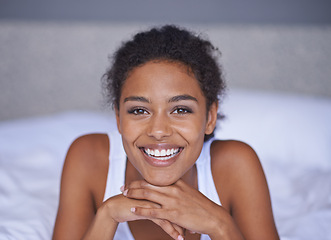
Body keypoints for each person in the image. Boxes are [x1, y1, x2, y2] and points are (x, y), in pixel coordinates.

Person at [52, 25, 279, 240]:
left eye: (180, 109)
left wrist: (219, 224)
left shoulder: (236, 164)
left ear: (210, 117)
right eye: (139, 110)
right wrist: (107, 214)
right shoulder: (87, 157)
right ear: (118, 118)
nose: (158, 131)